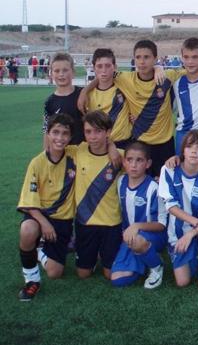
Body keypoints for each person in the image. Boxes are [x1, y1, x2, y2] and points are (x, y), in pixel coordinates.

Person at [79, 40, 181, 178]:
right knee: (138, 185)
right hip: (139, 143)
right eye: (138, 57)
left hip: (165, 144)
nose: (142, 61)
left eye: (147, 57)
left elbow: (192, 70)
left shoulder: (167, 76)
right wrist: (84, 91)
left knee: (166, 186)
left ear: (155, 59)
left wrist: (159, 68)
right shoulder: (125, 79)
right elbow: (104, 76)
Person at [16, 114, 77, 301]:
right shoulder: (37, 163)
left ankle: (39, 250)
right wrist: (44, 224)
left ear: (70, 137)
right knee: (27, 229)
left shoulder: (75, 154)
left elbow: (99, 146)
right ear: (48, 134)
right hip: (39, 216)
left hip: (63, 220)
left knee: (55, 273)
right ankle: (32, 281)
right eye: (55, 132)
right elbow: (29, 203)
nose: (60, 138)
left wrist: (113, 148)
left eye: (65, 133)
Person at [159, 130, 198, 296]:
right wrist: (195, 225)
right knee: (182, 282)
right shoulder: (169, 170)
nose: (194, 151)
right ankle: (196, 256)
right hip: (179, 233)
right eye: (189, 147)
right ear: (183, 151)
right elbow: (171, 207)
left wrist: (192, 233)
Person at [74, 111, 123, 280]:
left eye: (98, 131)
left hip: (111, 223)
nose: (92, 136)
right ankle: (92, 257)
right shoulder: (78, 151)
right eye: (88, 132)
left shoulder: (120, 157)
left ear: (108, 132)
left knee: (110, 275)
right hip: (85, 221)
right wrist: (111, 145)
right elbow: (53, 146)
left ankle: (104, 253)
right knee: (83, 274)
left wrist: (112, 147)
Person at [110, 142, 167, 289]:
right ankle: (146, 257)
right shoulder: (120, 181)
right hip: (129, 236)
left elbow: (161, 224)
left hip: (155, 235)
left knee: (137, 240)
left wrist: (136, 226)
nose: (133, 165)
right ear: (124, 162)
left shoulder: (155, 188)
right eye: (129, 160)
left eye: (139, 160)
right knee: (117, 279)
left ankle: (156, 266)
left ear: (148, 164)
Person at [86, 48, 132, 149]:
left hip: (124, 144)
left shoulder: (125, 87)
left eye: (108, 66)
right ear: (93, 67)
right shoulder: (88, 95)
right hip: (100, 146)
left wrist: (158, 67)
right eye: (99, 66)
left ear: (114, 67)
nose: (103, 70)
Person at [44, 53, 84, 146]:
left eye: (65, 70)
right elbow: (46, 130)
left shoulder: (83, 94)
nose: (61, 74)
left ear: (73, 72)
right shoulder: (49, 102)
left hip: (83, 152)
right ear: (51, 74)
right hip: (62, 152)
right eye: (57, 71)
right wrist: (47, 154)